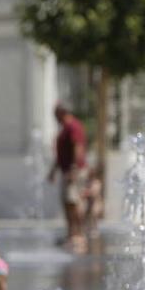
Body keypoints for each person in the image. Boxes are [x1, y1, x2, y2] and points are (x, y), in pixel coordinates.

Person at [47, 104, 88, 253]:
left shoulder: (73, 126)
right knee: (67, 203)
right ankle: (71, 234)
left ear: (62, 113)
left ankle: (80, 234)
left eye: (56, 115)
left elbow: (78, 147)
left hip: (74, 171)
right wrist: (53, 171)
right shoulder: (64, 128)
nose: (55, 118)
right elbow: (61, 154)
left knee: (73, 202)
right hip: (66, 171)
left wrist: (74, 169)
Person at [81, 163, 104, 241]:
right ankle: (87, 230)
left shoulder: (97, 182)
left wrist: (87, 192)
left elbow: (95, 192)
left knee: (94, 216)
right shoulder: (88, 182)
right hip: (89, 203)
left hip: (95, 202)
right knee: (87, 216)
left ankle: (95, 230)